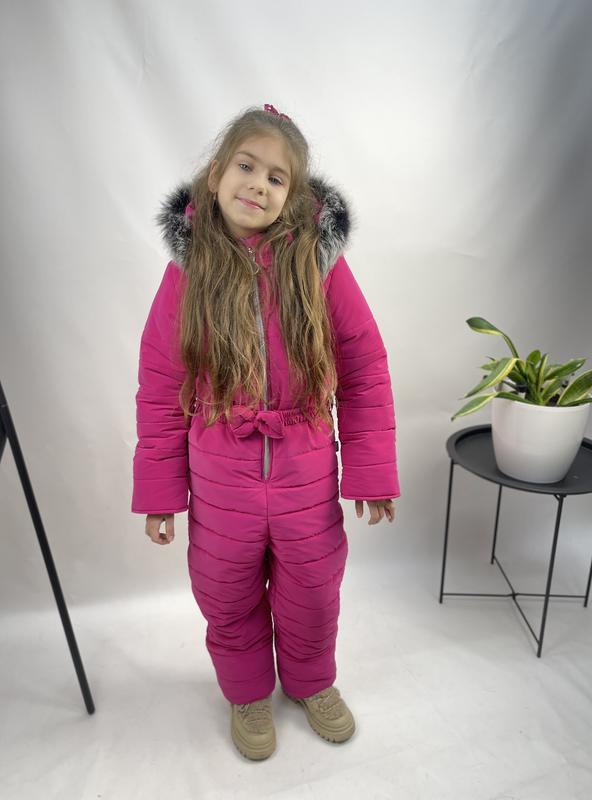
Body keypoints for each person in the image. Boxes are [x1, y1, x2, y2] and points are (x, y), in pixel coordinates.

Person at [131, 103, 401, 760]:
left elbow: (364, 364)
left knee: (314, 587)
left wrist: (371, 471)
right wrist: (161, 493)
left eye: (277, 178)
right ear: (217, 175)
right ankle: (248, 691)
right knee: (225, 590)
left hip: (306, 467)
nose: (258, 185)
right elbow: (161, 384)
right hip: (219, 476)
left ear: (294, 194)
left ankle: (312, 681)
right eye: (246, 167)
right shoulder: (189, 271)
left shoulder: (320, 265)